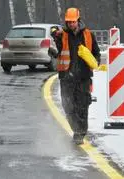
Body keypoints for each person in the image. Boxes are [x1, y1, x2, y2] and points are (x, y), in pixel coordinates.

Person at [50, 7, 101, 145]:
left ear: (78, 20)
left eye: (73, 22)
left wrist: (95, 62)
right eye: (69, 22)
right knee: (68, 106)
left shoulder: (88, 35)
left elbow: (96, 52)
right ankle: (75, 129)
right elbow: (56, 43)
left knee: (82, 106)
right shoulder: (62, 35)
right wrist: (55, 34)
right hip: (66, 77)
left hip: (83, 77)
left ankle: (80, 133)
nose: (71, 24)